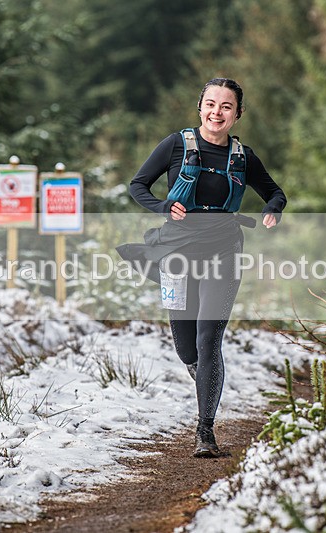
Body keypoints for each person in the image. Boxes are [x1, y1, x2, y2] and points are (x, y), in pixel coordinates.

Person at [120, 78, 287, 457]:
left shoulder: (244, 156)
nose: (217, 112)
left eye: (226, 106)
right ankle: (207, 379)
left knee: (208, 337)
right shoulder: (176, 144)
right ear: (200, 108)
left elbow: (276, 192)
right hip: (176, 254)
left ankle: (205, 430)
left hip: (224, 251)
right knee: (185, 347)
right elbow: (138, 185)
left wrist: (272, 208)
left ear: (237, 114)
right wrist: (163, 207)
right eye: (210, 104)